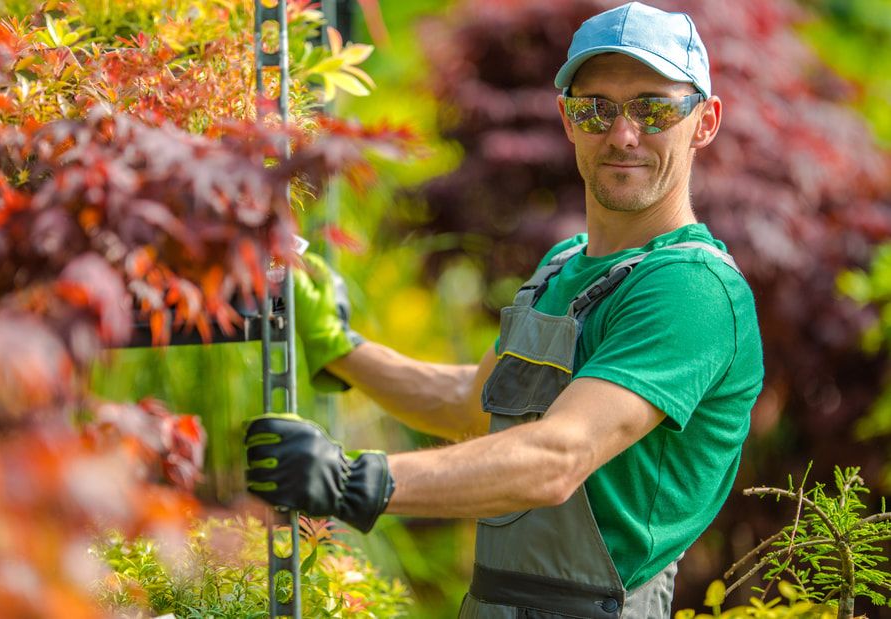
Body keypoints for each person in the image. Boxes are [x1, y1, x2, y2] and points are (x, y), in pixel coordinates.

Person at [244, 2, 764, 617]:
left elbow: (557, 455)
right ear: (567, 121)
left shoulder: (692, 289)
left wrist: (355, 480)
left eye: (653, 108)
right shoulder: (562, 266)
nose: (623, 134)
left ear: (704, 122)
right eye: (595, 108)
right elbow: (473, 402)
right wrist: (340, 347)